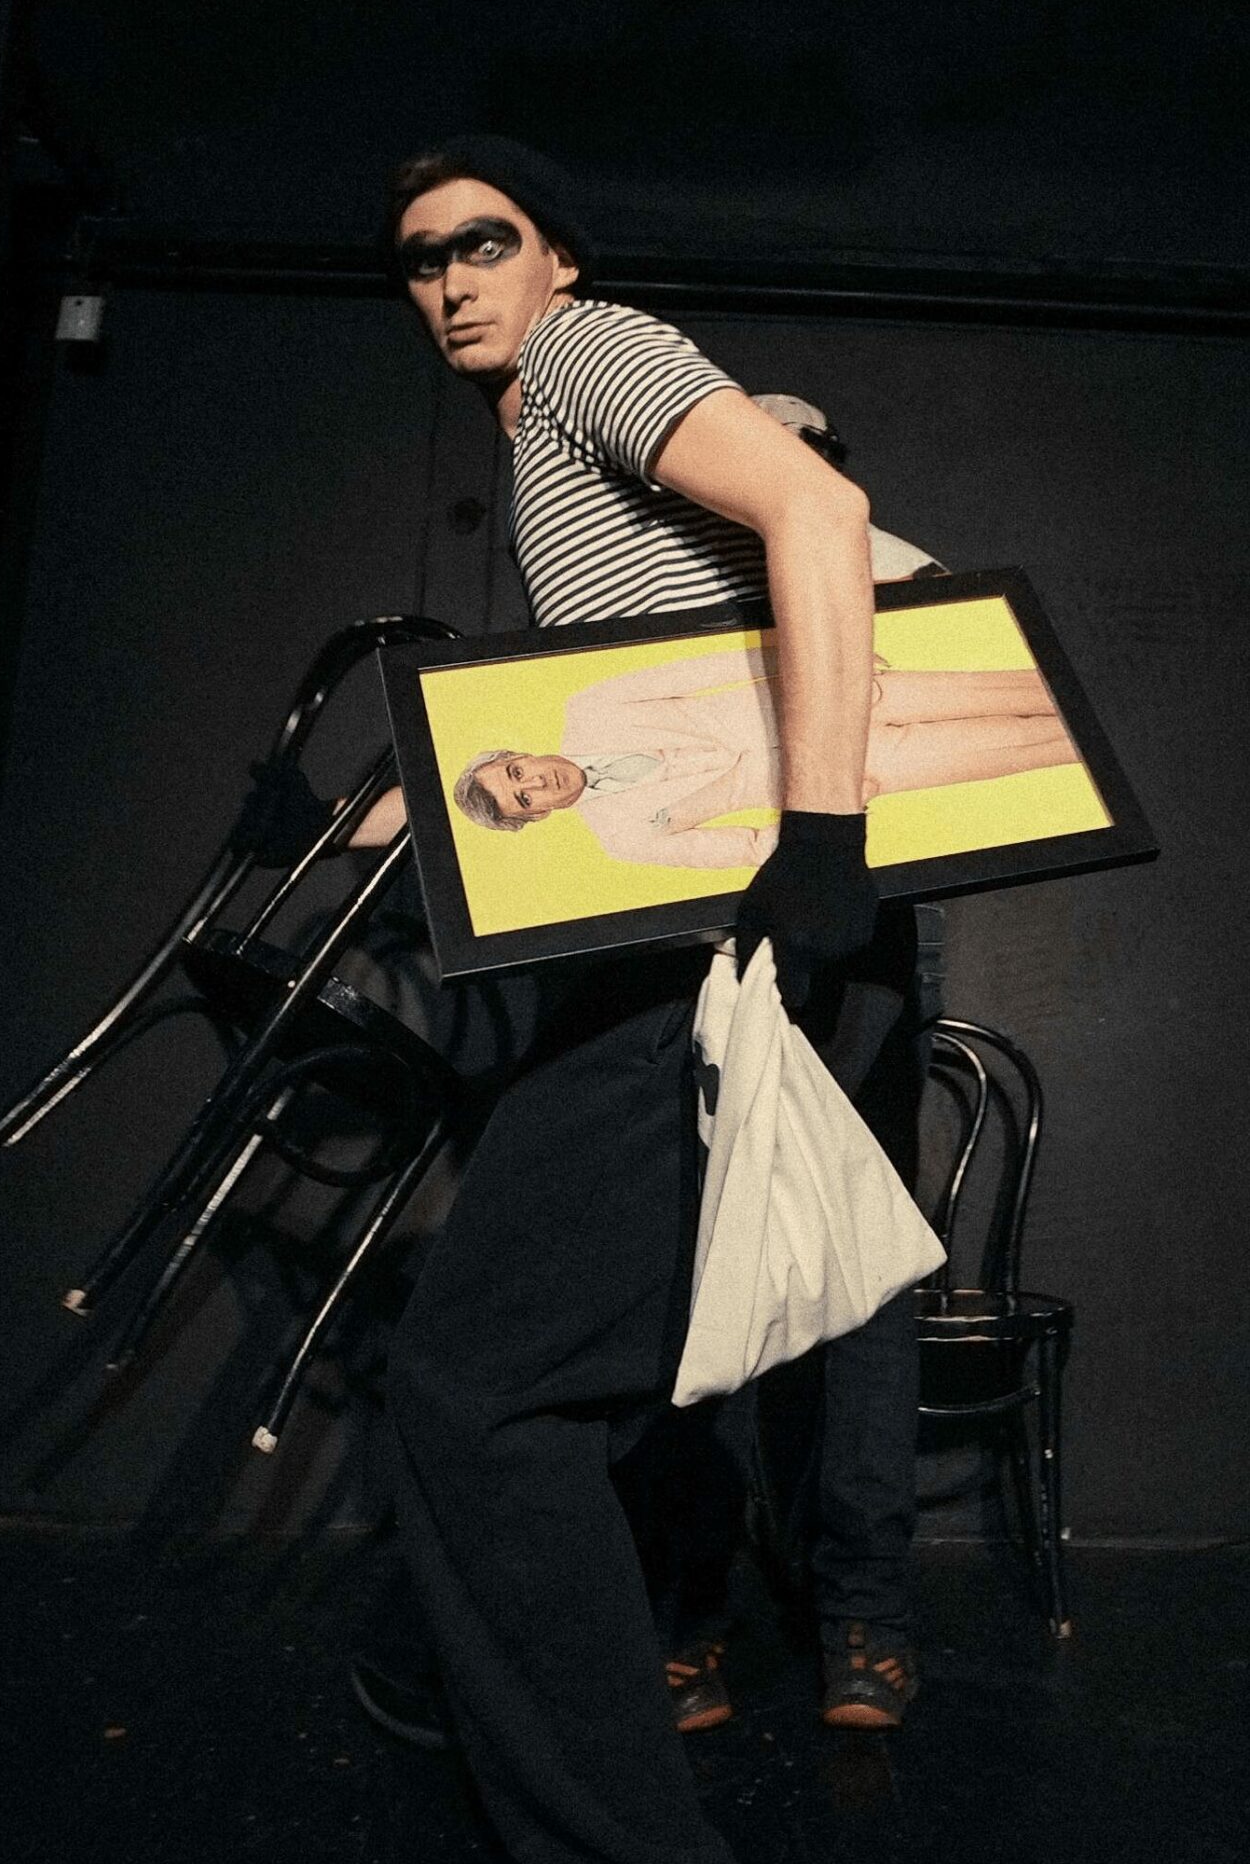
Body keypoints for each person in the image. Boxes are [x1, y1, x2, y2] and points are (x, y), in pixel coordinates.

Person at [319, 135, 919, 1864]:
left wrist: (817, 839)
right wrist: (405, 808)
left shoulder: (588, 353)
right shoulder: (546, 457)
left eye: (479, 242)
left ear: (553, 259)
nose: (445, 279)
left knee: (476, 1393)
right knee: (536, 1388)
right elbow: (617, 727)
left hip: (737, 930)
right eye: (416, 259)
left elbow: (817, 513)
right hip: (703, 922)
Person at [452, 649, 1076, 867]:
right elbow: (749, 849)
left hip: (828, 697)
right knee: (1028, 748)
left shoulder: (589, 706)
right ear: (536, 817)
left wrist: (822, 659)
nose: (536, 781)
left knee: (1017, 689)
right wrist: (828, 808)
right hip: (843, 773)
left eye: (516, 771)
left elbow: (708, 667)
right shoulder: (620, 838)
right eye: (524, 798)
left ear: (520, 753)